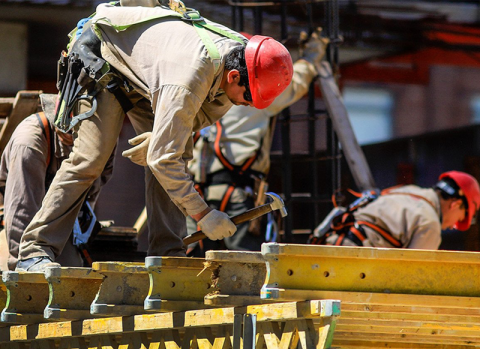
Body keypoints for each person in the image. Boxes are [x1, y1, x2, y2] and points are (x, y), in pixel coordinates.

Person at [15, 1, 293, 272]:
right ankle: (34, 251)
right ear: (233, 77)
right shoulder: (190, 77)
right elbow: (164, 158)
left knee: (176, 152)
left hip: (149, 76)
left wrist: (164, 137)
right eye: (247, 98)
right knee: (91, 159)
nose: (246, 104)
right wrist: (203, 214)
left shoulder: (239, 62)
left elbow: (198, 118)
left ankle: (168, 256)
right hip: (104, 57)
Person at [185, 30, 329, 255]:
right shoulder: (256, 95)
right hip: (239, 191)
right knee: (245, 261)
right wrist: (312, 56)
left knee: (192, 260)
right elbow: (296, 82)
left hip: (197, 195)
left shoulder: (206, 86)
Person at [0, 94, 114, 271]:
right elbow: (21, 209)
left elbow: (96, 183)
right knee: (42, 272)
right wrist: (22, 267)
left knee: (73, 271)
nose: (72, 137)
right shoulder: (30, 142)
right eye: (68, 134)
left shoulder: (102, 139)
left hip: (59, 217)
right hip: (21, 220)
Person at [319, 171, 480, 249]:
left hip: (327, 243)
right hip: (349, 260)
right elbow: (412, 277)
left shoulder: (409, 190)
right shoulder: (429, 224)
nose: (453, 226)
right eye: (460, 219)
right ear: (455, 204)